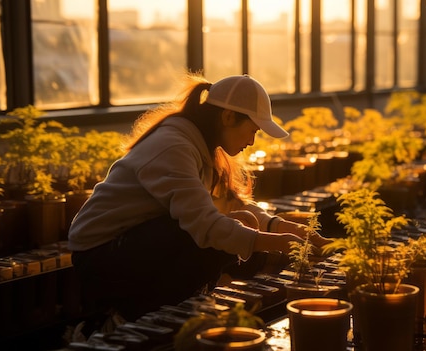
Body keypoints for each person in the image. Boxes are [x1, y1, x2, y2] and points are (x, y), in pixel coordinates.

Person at [68, 73, 333, 321]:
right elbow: (204, 224)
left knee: (241, 221)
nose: (252, 141)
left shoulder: (200, 144)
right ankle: (127, 318)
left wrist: (290, 229)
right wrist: (280, 244)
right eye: (253, 130)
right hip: (101, 254)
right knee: (208, 237)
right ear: (228, 117)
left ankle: (159, 309)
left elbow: (234, 204)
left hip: (134, 241)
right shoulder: (174, 145)